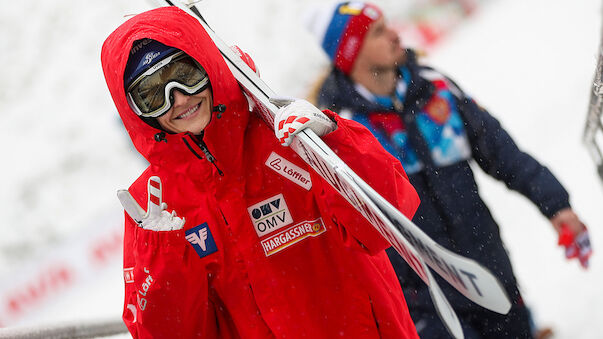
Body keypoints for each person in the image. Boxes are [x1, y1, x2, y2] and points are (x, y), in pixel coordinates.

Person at [101, 6, 423, 339]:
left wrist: (334, 142)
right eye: (152, 94)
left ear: (209, 65)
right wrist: (161, 252)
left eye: (185, 74)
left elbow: (387, 222)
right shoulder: (153, 208)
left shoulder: (287, 137)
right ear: (134, 111)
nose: (179, 99)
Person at [305, 1, 591, 338]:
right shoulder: (341, 130)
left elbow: (502, 153)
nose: (396, 35)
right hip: (423, 297)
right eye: (379, 32)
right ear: (350, 54)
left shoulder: (434, 90)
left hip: (488, 266)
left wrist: (557, 206)